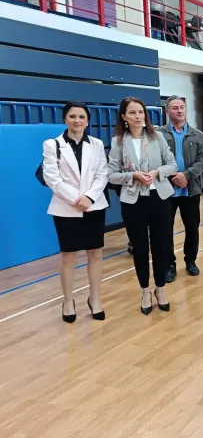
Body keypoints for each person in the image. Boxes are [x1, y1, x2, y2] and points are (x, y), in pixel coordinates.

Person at [107, 97, 178, 315]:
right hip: (133, 200)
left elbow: (172, 164)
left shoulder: (157, 137)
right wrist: (132, 175)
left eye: (140, 112)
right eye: (132, 112)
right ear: (124, 117)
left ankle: (160, 288)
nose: (138, 116)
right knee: (139, 247)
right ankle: (145, 291)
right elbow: (111, 174)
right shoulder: (118, 142)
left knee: (161, 245)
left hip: (159, 198)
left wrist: (157, 172)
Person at [43, 101, 109, 323]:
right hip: (65, 207)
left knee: (95, 253)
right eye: (72, 116)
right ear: (65, 119)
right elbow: (52, 178)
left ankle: (95, 299)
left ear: (87, 121)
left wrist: (89, 197)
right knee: (68, 255)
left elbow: (102, 174)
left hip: (94, 205)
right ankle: (68, 301)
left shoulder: (97, 144)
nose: (77, 120)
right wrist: (76, 199)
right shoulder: (52, 144)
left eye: (81, 117)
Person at [157, 96, 203, 282]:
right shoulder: (158, 135)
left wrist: (185, 175)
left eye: (182, 107)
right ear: (167, 111)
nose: (179, 111)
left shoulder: (198, 135)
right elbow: (155, 160)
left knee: (192, 227)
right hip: (166, 190)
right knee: (165, 229)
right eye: (175, 108)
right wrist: (173, 176)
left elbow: (202, 160)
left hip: (190, 189)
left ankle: (191, 261)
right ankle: (169, 265)